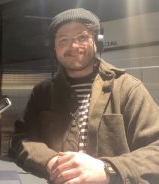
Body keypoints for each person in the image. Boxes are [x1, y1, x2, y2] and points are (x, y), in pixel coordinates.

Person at [10, 8, 159, 184]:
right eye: (64, 40)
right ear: (54, 47)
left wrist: (109, 169)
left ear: (97, 42)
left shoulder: (128, 88)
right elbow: (23, 138)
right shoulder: (42, 93)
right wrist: (50, 161)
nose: (73, 46)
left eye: (82, 38)